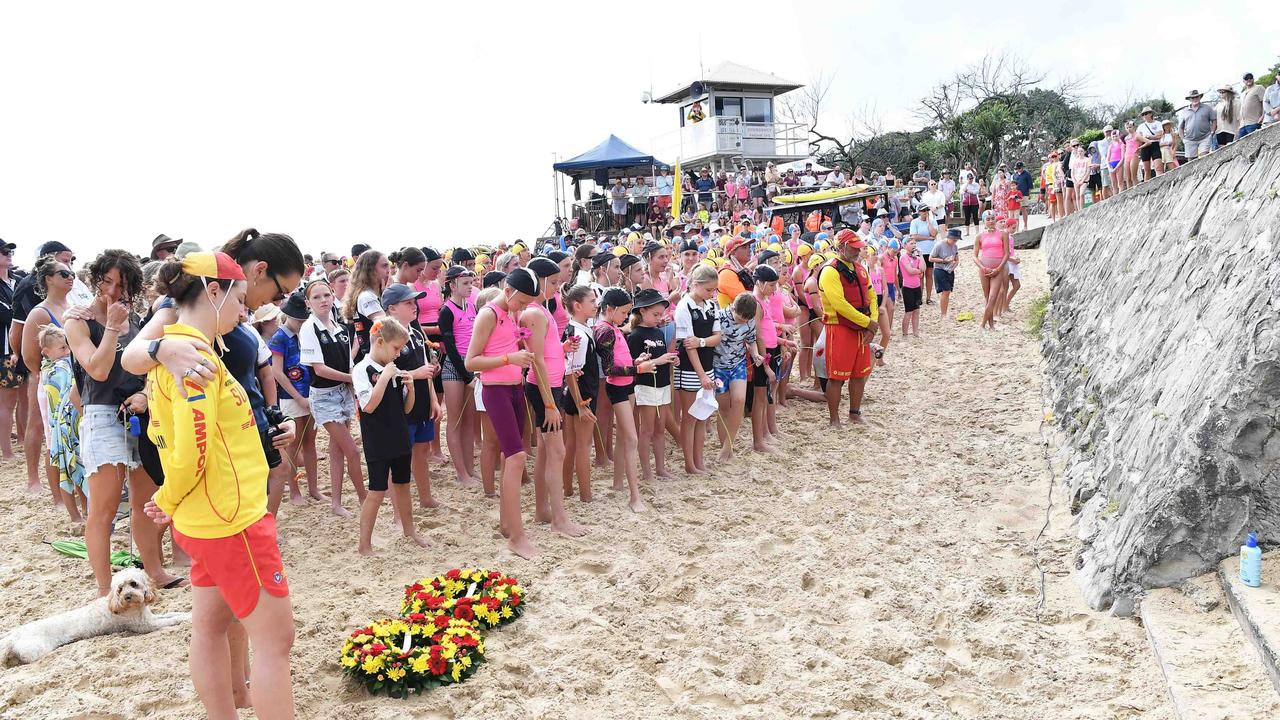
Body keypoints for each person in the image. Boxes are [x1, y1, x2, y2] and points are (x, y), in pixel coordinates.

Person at [141, 252, 295, 720]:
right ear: (214, 292)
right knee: (276, 640)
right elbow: (191, 448)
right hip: (231, 519)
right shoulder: (194, 357)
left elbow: (173, 435)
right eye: (241, 301)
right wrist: (167, 498)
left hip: (206, 515)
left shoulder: (175, 348)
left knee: (208, 627)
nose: (244, 313)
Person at [64, 250, 183, 595]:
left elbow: (151, 364)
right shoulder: (79, 321)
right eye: (107, 282)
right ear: (96, 280)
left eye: (122, 283)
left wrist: (146, 392)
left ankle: (155, 570)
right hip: (102, 413)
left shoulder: (139, 318)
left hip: (140, 413)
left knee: (145, 499)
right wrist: (113, 328)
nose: (114, 291)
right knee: (104, 508)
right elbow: (97, 369)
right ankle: (104, 588)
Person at [466, 268, 541, 557]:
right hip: (496, 390)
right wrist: (510, 357)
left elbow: (506, 344)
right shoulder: (488, 314)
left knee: (514, 455)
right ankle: (516, 536)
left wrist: (518, 343)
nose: (523, 308)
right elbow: (471, 362)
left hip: (513, 387)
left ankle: (507, 525)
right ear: (508, 291)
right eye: (522, 302)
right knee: (517, 456)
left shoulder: (508, 313)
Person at [521, 258, 589, 537]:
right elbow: (535, 360)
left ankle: (542, 510)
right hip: (543, 387)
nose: (556, 288)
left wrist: (562, 348)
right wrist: (550, 404)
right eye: (552, 283)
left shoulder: (542, 310)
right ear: (538, 281)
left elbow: (544, 353)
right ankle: (560, 519)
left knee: (547, 453)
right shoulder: (535, 313)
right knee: (556, 451)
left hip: (546, 383)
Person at [351, 317, 428, 555]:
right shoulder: (363, 369)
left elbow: (406, 408)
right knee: (376, 491)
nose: (398, 354)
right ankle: (364, 544)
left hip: (400, 435)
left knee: (403, 484)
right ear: (381, 342)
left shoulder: (393, 368)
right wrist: (385, 376)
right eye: (395, 348)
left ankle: (410, 530)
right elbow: (369, 406)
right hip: (378, 439)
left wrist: (411, 388)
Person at [298, 280, 364, 517]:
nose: (323, 300)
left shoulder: (340, 327)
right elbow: (319, 369)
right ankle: (364, 499)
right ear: (308, 303)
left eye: (326, 295)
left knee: (338, 449)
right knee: (352, 451)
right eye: (317, 297)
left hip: (343, 391)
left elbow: (347, 359)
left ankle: (336, 503)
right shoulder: (309, 328)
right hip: (325, 396)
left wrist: (351, 380)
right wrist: (352, 378)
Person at [593, 287, 658, 511]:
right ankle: (634, 496)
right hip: (618, 388)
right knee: (630, 439)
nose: (625, 318)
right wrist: (639, 368)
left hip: (626, 385)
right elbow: (610, 369)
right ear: (610, 309)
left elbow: (621, 359)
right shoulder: (605, 330)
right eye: (623, 313)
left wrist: (636, 361)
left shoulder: (612, 327)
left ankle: (619, 483)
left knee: (624, 437)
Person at [384, 283, 443, 512]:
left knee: (422, 450)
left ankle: (425, 498)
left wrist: (434, 400)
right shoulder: (386, 336)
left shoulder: (416, 333)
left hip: (421, 404)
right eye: (408, 303)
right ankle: (398, 510)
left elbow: (425, 369)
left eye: (414, 302)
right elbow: (383, 374)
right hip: (400, 406)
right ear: (392, 308)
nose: (414, 306)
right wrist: (415, 374)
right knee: (399, 458)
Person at [818, 230, 877, 426]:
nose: (858, 251)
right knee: (836, 377)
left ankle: (854, 412)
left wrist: (872, 322)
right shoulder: (829, 271)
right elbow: (839, 305)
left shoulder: (860, 268)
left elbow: (872, 296)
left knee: (860, 373)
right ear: (842, 247)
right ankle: (834, 419)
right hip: (840, 328)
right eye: (854, 248)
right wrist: (868, 323)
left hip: (862, 328)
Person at [269, 292, 321, 503]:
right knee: (293, 445)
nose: (301, 322)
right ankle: (294, 492)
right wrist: (298, 397)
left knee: (311, 442)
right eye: (298, 319)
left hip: (311, 393)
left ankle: (314, 489)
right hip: (291, 397)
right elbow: (277, 372)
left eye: (303, 319)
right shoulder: (279, 337)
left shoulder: (309, 332)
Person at [672, 265, 721, 471]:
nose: (712, 294)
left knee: (703, 416)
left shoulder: (711, 305)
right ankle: (689, 463)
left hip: (706, 364)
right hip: (689, 369)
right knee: (690, 417)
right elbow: (687, 346)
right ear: (696, 285)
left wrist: (701, 341)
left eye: (714, 290)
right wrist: (701, 375)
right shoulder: (684, 307)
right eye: (709, 289)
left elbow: (717, 338)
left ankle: (698, 461)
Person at [626, 288, 677, 483]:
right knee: (646, 430)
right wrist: (661, 360)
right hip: (646, 386)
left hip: (662, 384)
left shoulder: (657, 331)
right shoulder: (636, 335)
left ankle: (661, 468)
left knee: (660, 428)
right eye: (655, 314)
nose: (659, 318)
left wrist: (670, 360)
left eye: (661, 314)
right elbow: (635, 365)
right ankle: (647, 472)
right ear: (642, 312)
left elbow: (660, 357)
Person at [38, 325, 86, 520]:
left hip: (72, 423)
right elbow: (56, 400)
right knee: (65, 468)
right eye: (62, 349)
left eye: (68, 347)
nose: (67, 351)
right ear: (46, 352)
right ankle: (74, 515)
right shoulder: (51, 371)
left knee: (78, 467)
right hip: (58, 425)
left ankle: (85, 508)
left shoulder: (67, 364)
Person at [437, 264, 479, 487]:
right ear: (452, 285)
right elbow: (450, 347)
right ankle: (461, 473)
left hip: (470, 363)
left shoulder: (471, 306)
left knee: (470, 422)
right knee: (455, 421)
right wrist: (466, 376)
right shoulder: (446, 310)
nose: (470, 287)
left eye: (471, 283)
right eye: (465, 283)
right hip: (455, 367)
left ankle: (470, 469)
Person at [560, 285, 599, 503]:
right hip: (583, 394)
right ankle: (586, 495)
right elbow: (571, 373)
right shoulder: (580, 335)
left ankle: (568, 489)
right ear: (578, 305)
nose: (595, 305)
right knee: (583, 446)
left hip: (576, 393)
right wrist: (582, 404)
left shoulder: (577, 329)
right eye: (592, 301)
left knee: (573, 444)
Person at [713, 292, 759, 461]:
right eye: (740, 318)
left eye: (747, 320)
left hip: (738, 363)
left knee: (739, 400)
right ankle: (724, 447)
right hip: (718, 367)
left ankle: (727, 447)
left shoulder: (749, 320)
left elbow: (751, 340)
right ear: (732, 308)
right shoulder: (718, 317)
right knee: (723, 409)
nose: (743, 322)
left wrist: (755, 354)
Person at [344, 250, 389, 365]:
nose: (388, 270)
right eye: (384, 266)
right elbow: (385, 323)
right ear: (370, 270)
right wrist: (390, 296)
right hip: (376, 359)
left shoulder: (374, 293)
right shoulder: (366, 296)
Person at [0, 239, 21, 460]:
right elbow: (7, 315)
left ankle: (21, 441)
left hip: (19, 348)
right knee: (7, 402)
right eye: (4, 251)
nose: (9, 254)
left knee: (21, 398)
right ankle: (6, 451)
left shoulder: (15, 281)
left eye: (10, 251)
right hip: (4, 350)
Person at [974, 211, 1010, 330]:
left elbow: (1006, 254)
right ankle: (991, 324)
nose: (991, 221)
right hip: (984, 268)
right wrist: (982, 267)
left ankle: (982, 324)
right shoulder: (979, 236)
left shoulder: (1003, 234)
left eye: (993, 218)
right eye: (988, 219)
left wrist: (999, 268)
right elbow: (974, 255)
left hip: (997, 269)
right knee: (987, 297)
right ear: (984, 221)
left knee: (993, 297)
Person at [930, 228, 960, 318]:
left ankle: (944, 313)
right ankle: (943, 314)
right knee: (946, 291)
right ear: (949, 237)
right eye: (954, 239)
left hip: (950, 270)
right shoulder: (939, 245)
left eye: (956, 240)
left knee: (948, 291)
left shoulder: (955, 246)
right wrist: (943, 260)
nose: (955, 241)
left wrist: (953, 266)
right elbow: (931, 258)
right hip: (940, 269)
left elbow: (957, 259)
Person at [898, 238, 925, 338]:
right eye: (911, 243)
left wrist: (921, 256)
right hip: (907, 287)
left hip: (917, 286)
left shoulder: (916, 258)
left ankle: (915, 332)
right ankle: (905, 333)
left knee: (917, 310)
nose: (914, 245)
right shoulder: (903, 257)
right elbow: (910, 271)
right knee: (909, 311)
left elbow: (924, 268)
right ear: (905, 246)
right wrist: (919, 271)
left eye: (915, 243)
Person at [1179, 91, 1215, 162]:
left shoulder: (1207, 108)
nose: (1195, 99)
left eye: (1196, 97)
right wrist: (1183, 139)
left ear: (1199, 97)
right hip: (1189, 139)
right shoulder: (1184, 111)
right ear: (1190, 99)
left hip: (1205, 137)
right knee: (1191, 162)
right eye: (1192, 98)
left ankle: (1206, 173)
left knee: (1204, 158)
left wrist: (1212, 132)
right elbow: (1180, 127)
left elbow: (1214, 120)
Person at [1239, 73, 1265, 139]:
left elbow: (1265, 103)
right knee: (1242, 147)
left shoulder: (1259, 88)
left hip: (1254, 122)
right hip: (1242, 125)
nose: (1249, 79)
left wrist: (1262, 116)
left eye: (1250, 78)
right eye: (1246, 78)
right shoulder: (1242, 94)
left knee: (1256, 145)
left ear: (1253, 79)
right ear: (1243, 81)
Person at [1011, 162, 1034, 227]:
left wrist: (1029, 194)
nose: (1018, 169)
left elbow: (1030, 185)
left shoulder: (1027, 174)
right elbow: (1013, 184)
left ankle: (1025, 225)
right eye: (1017, 168)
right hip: (1016, 194)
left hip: (1024, 193)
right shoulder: (1015, 175)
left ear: (1022, 167)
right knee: (1016, 210)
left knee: (1023, 209)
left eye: (1019, 168)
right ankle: (1016, 226)